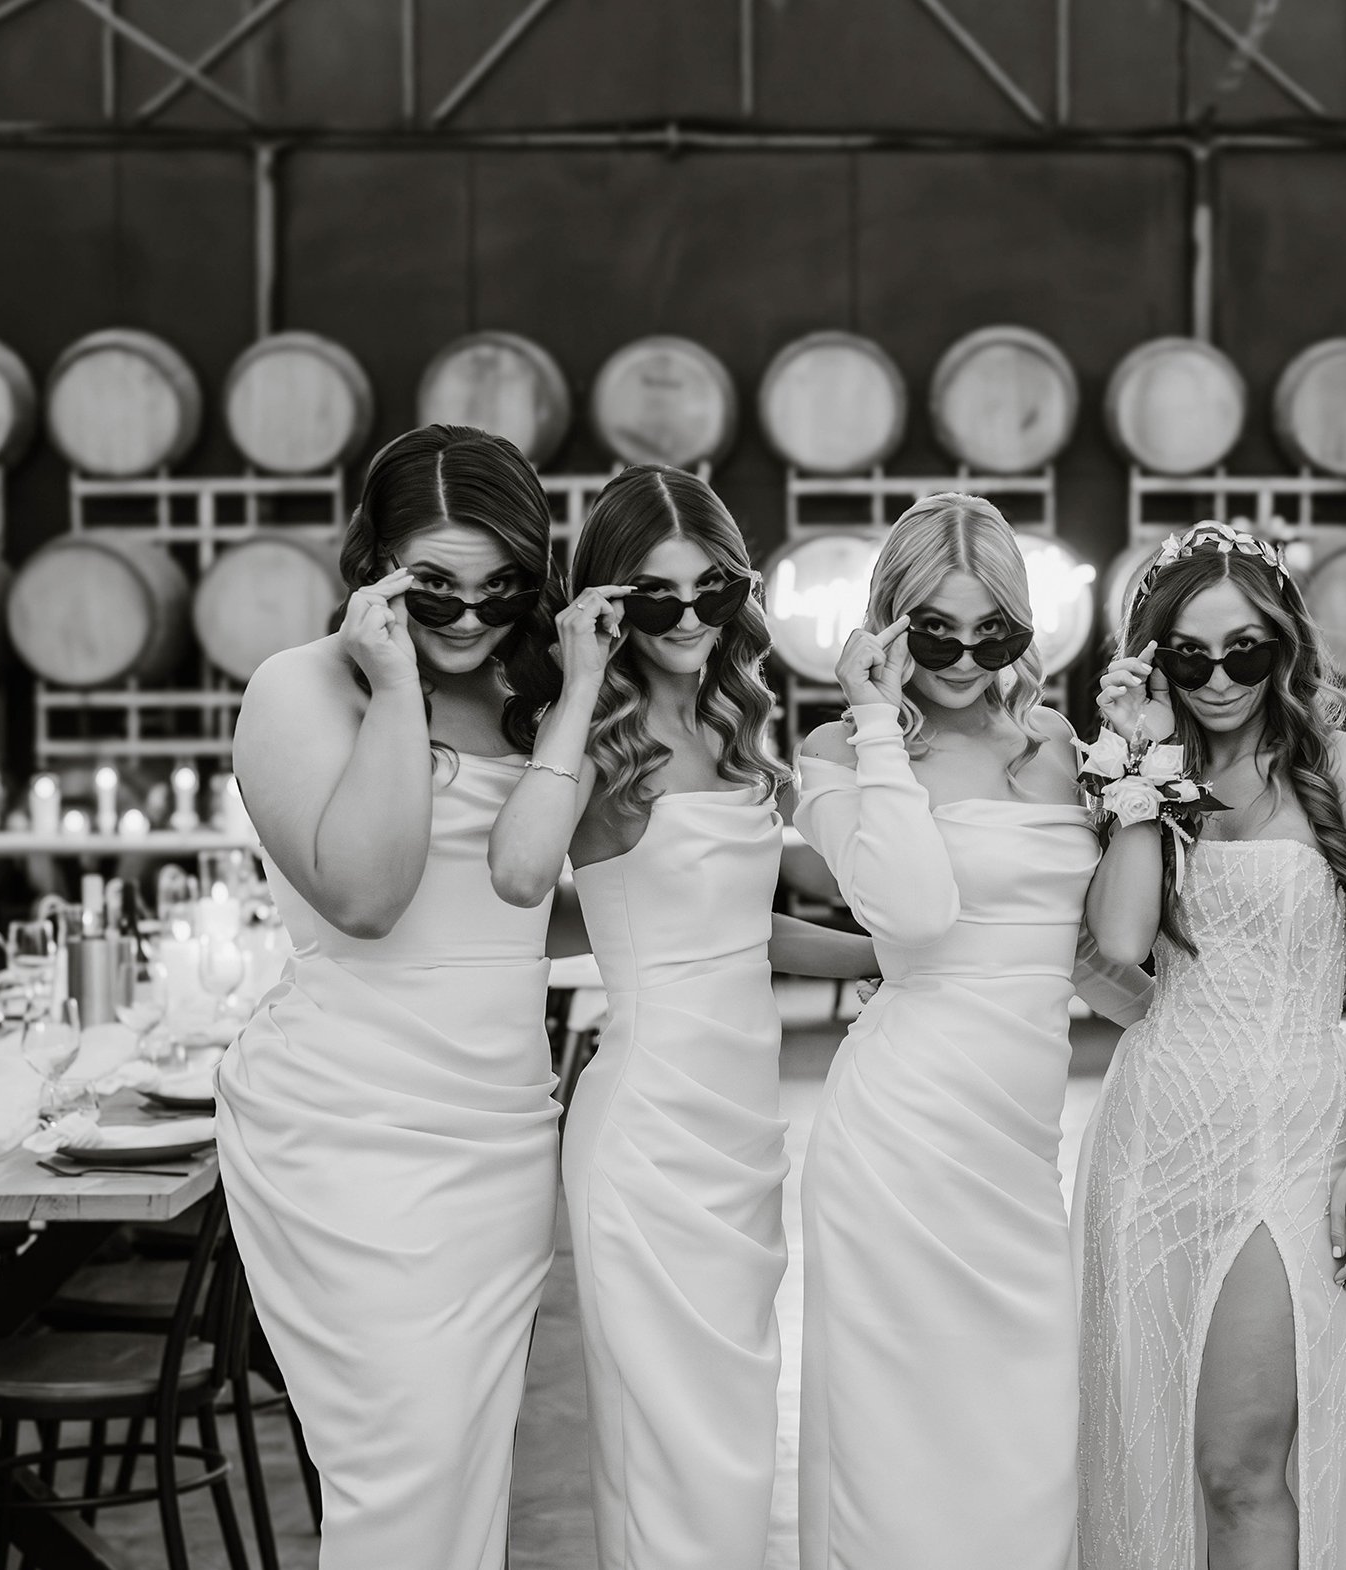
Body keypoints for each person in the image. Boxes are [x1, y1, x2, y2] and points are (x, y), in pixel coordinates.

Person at [485, 465, 874, 1570]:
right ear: (607, 601)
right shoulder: (591, 748)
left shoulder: (736, 723)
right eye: (659, 597)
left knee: (735, 1442)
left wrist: (894, 959)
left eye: (716, 590)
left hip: (743, 1134)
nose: (694, 617)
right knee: (667, 1452)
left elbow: (746, 937)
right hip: (649, 1133)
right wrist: (573, 683)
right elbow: (518, 874)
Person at [217, 425, 564, 1570]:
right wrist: (396, 682)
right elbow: (369, 896)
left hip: (503, 1129)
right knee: (402, 1466)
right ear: (374, 567)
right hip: (347, 1128)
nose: (468, 619)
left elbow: (511, 914)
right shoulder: (296, 690)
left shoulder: (532, 695)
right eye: (435, 591)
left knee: (467, 1466)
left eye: (500, 589)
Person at [791, 492, 1146, 1570]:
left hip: (1016, 1149)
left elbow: (1095, 950)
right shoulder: (839, 751)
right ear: (888, 626)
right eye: (931, 628)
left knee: (1025, 1448)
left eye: (985, 629)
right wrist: (872, 722)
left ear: (1020, 630)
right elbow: (909, 913)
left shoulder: (1060, 749)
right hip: (896, 1141)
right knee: (891, 1457)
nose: (958, 653)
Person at [1074, 519, 1346, 1570]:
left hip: (1293, 1138)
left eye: (1244, 651)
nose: (1218, 676)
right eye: (1189, 653)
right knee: (1146, 1451)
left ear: (1283, 648)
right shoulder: (1134, 777)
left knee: (1240, 1463)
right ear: (1151, 658)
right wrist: (1138, 764)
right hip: (1151, 1140)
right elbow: (1119, 947)